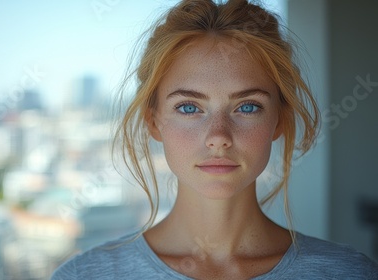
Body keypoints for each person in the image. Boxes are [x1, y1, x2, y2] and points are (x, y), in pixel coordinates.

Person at [52, 0, 378, 279]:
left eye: (247, 107)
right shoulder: (85, 275)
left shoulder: (349, 273)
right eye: (189, 107)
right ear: (153, 121)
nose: (218, 137)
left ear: (279, 119)